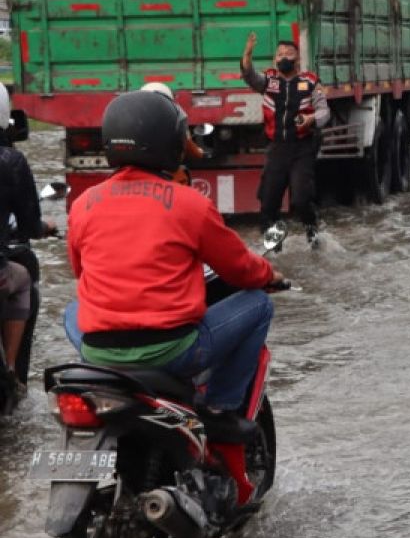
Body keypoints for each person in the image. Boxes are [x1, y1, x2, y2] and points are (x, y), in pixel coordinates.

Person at [63, 91, 284, 420]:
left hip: (99, 350)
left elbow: (81, 271)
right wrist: (270, 276)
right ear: (171, 144)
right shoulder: (190, 204)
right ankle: (222, 408)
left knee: (71, 308)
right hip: (172, 351)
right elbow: (240, 268)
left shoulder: (83, 204)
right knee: (260, 304)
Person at [240, 33, 330, 245]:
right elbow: (250, 76)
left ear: (298, 59)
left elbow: (325, 112)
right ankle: (273, 246)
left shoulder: (310, 82)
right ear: (274, 60)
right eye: (279, 54)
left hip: (302, 148)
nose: (283, 58)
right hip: (276, 149)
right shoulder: (269, 81)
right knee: (268, 202)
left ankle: (313, 233)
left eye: (288, 54)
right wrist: (247, 53)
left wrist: (310, 118)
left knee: (300, 198)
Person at [0, 85, 56, 389]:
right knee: (22, 280)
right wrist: (44, 227)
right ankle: (12, 371)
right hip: (7, 266)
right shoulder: (11, 161)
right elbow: (30, 224)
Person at [141, 82, 205, 184]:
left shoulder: (132, 117)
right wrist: (199, 153)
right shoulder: (176, 117)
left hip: (137, 176)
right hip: (170, 178)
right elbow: (187, 146)